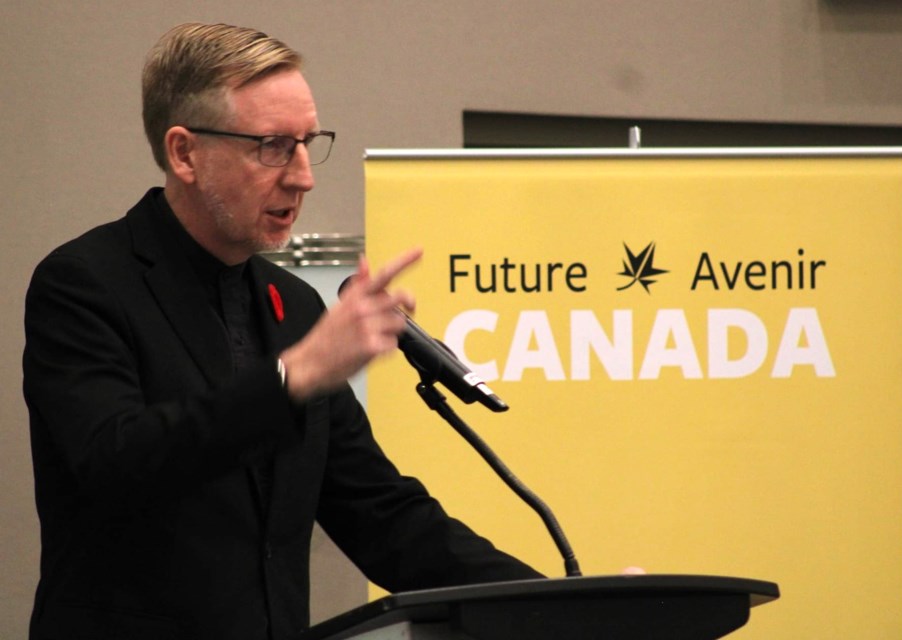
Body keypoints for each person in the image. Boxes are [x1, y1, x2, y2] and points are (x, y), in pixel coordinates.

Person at [22, 23, 542, 640]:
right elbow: (118, 462)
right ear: (184, 153)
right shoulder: (85, 283)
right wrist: (290, 379)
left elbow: (385, 517)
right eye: (272, 146)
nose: (303, 176)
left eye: (308, 143)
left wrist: (558, 606)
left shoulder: (292, 306)